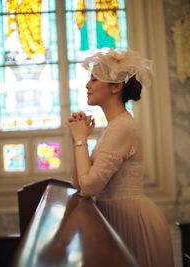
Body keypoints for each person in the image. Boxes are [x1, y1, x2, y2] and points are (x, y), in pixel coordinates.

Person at [65, 48, 174, 267]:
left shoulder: (122, 127)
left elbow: (89, 187)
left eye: (94, 79)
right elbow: (78, 183)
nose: (87, 85)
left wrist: (80, 140)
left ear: (116, 86)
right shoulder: (113, 127)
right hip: (113, 218)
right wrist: (78, 138)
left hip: (131, 221)